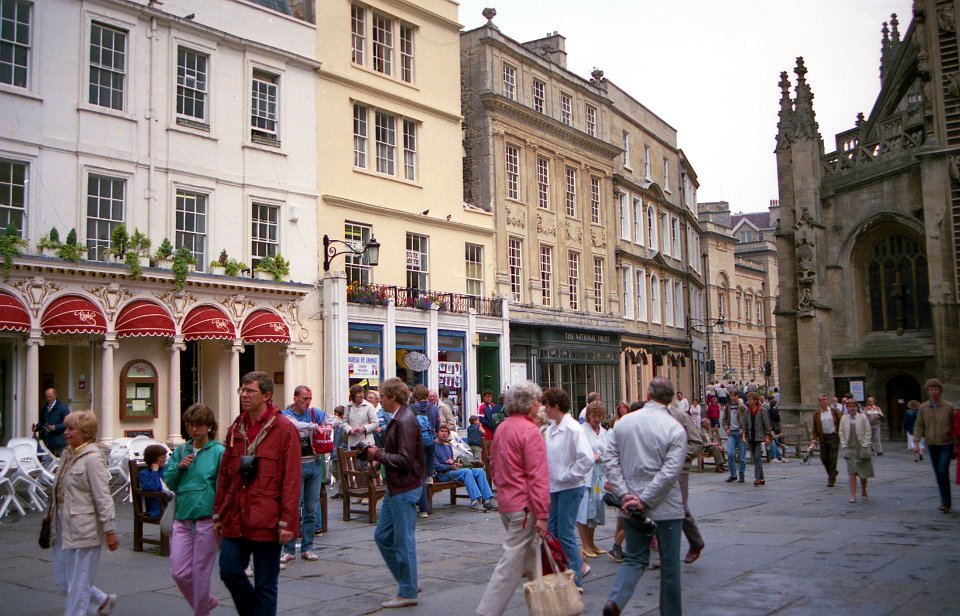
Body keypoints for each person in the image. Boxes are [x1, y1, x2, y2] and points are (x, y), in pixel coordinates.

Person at [214, 371, 301, 616]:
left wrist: (288, 521)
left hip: (268, 518)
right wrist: (218, 513)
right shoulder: (236, 428)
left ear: (266, 395)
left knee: (266, 583)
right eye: (242, 390)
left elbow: (291, 480)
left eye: (250, 391)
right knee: (229, 571)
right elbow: (225, 475)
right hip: (236, 515)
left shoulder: (283, 429)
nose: (244, 395)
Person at [602, 377, 686, 616]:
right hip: (666, 507)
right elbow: (670, 472)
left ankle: (615, 600)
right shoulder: (674, 428)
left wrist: (625, 494)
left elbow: (610, 461)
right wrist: (645, 499)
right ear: (670, 399)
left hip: (629, 505)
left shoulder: (624, 423)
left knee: (634, 558)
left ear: (648, 396)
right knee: (670, 567)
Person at [476, 381, 550, 616]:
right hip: (524, 506)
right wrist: (543, 513)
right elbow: (538, 476)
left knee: (532, 558)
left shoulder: (503, 428)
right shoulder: (530, 431)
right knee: (510, 565)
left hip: (507, 503)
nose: (539, 405)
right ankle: (487, 611)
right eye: (537, 401)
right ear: (529, 403)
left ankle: (545, 609)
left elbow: (495, 466)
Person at [358, 377, 424, 608]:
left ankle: (408, 591)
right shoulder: (399, 418)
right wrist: (381, 458)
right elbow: (400, 452)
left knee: (403, 540)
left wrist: (377, 455)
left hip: (404, 487)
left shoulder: (404, 420)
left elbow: (405, 459)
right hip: (397, 486)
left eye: (383, 396)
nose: (380, 401)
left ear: (393, 397)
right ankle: (409, 581)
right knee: (383, 536)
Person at [50, 410, 119, 616]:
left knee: (78, 585)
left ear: (85, 432)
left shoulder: (92, 459)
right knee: (63, 580)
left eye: (71, 429)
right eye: (66, 428)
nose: (66, 432)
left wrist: (109, 530)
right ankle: (102, 601)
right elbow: (61, 489)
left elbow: (103, 497)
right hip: (63, 525)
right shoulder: (68, 453)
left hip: (85, 528)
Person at [165, 404, 224, 616]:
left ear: (209, 426)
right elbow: (169, 481)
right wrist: (179, 467)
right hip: (182, 516)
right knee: (179, 572)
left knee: (201, 572)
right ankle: (205, 602)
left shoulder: (218, 452)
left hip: (207, 518)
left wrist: (220, 517)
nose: (194, 429)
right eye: (190, 425)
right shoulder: (181, 450)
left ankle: (201, 612)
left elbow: (222, 486)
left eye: (199, 425)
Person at [542, 386, 595, 588]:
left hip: (570, 487)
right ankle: (567, 571)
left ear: (556, 406)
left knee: (564, 532)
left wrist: (569, 475)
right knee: (553, 531)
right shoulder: (553, 428)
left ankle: (576, 579)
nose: (545, 409)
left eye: (547, 405)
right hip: (555, 486)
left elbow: (587, 458)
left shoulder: (573, 428)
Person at [280, 385, 332, 563]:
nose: (308, 402)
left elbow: (335, 420)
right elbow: (294, 426)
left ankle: (307, 548)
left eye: (310, 399)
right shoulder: (286, 415)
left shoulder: (315, 413)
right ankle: (289, 550)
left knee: (311, 508)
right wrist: (315, 426)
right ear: (295, 398)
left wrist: (327, 425)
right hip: (296, 466)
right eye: (304, 399)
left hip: (315, 464)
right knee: (293, 509)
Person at [668, 395, 706, 564]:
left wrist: (678, 457)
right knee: (658, 510)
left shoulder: (681, 416)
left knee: (679, 508)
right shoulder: (650, 418)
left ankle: (695, 542)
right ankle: (664, 553)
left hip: (679, 469)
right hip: (657, 470)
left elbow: (697, 443)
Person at [913, 378, 957, 513]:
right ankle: (945, 502)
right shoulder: (923, 407)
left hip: (947, 443)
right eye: (931, 389)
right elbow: (919, 425)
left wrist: (956, 444)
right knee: (938, 473)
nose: (933, 392)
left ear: (940, 391)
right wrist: (916, 442)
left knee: (943, 471)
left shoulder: (948, 407)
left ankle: (946, 502)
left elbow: (955, 425)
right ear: (927, 391)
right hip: (932, 444)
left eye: (936, 389)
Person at [433, 426, 494, 511]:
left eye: (446, 432)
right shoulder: (433, 447)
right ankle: (475, 501)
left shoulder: (448, 447)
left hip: (452, 471)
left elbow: (451, 462)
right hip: (442, 474)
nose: (444, 433)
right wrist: (450, 466)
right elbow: (435, 466)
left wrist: (454, 463)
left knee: (479, 471)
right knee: (466, 472)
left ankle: (487, 500)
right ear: (437, 433)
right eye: (442, 431)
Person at [577, 401, 608, 559]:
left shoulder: (604, 432)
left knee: (595, 508)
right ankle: (585, 544)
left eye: (599, 416)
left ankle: (592, 542)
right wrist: (591, 456)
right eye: (593, 415)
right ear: (588, 416)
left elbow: (608, 450)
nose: (596, 419)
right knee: (584, 510)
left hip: (599, 475)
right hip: (586, 476)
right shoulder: (582, 431)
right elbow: (578, 452)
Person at [410, 384, 440, 517]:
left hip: (417, 444)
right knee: (428, 466)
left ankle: (423, 509)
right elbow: (438, 426)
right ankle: (430, 475)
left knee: (419, 475)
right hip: (431, 441)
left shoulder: (411, 409)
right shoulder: (434, 408)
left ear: (415, 396)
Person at [839, 398, 874, 503]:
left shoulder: (862, 417)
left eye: (854, 406)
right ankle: (853, 495)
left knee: (863, 473)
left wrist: (866, 444)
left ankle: (864, 490)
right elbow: (841, 432)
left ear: (857, 407)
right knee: (852, 473)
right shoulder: (844, 418)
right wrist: (844, 445)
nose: (852, 408)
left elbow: (868, 431)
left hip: (861, 447)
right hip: (849, 448)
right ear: (847, 408)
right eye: (850, 407)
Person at [810, 393, 842, 487]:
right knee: (823, 458)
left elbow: (841, 422)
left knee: (832, 458)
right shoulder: (816, 414)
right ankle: (833, 472)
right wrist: (814, 439)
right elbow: (815, 428)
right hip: (823, 438)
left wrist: (840, 434)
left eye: (825, 399)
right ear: (819, 402)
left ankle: (831, 479)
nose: (823, 401)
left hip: (833, 437)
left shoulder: (834, 411)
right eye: (821, 400)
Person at [743, 391, 773, 486]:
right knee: (756, 458)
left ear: (755, 401)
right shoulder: (747, 411)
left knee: (757, 457)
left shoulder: (762, 410)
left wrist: (767, 436)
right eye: (748, 400)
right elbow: (745, 424)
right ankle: (761, 478)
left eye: (750, 400)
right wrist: (744, 435)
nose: (748, 401)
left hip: (759, 437)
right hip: (751, 437)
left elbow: (767, 425)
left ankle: (757, 478)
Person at [138, 444, 172, 519]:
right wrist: (155, 471)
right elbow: (153, 487)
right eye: (162, 458)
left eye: (165, 457)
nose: (165, 460)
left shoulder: (167, 468)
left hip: (174, 500)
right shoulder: (144, 473)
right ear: (153, 459)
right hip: (161, 506)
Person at [722, 388, 748, 483]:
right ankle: (733, 474)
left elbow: (747, 420)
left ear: (738, 396)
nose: (733, 398)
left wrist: (743, 430)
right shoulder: (728, 406)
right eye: (731, 396)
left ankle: (741, 475)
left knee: (742, 457)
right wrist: (726, 428)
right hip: (732, 433)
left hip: (740, 433)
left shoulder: (742, 407)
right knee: (730, 454)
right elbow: (724, 420)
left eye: (734, 395)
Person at [343, 384, 378, 449]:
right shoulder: (348, 406)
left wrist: (364, 428)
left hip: (367, 442)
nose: (361, 395)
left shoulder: (369, 406)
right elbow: (345, 422)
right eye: (359, 393)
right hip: (353, 442)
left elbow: (375, 423)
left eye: (362, 392)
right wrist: (350, 430)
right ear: (353, 395)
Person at [38, 387, 70, 457]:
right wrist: (36, 427)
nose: (49, 399)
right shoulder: (44, 409)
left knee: (61, 460)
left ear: (55, 396)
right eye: (47, 397)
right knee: (48, 461)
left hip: (60, 442)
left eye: (50, 397)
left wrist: (55, 427)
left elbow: (68, 423)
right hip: (48, 441)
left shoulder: (63, 408)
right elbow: (42, 422)